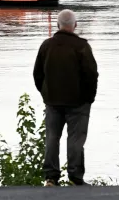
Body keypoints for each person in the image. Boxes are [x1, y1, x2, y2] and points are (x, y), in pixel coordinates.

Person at [33, 9, 98, 186]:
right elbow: (91, 75)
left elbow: (37, 74)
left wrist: (46, 93)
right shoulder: (82, 46)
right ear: (75, 25)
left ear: (57, 25)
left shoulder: (46, 46)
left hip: (53, 101)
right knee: (76, 139)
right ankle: (75, 177)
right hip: (78, 102)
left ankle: (51, 178)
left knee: (52, 138)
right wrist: (88, 98)